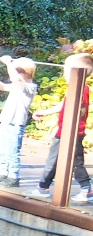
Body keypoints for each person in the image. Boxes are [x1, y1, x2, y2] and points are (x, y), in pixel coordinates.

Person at [34, 55, 93, 203]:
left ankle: (86, 188)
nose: (64, 75)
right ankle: (43, 186)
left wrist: (68, 127)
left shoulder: (82, 89)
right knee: (56, 159)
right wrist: (45, 112)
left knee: (73, 161)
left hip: (71, 133)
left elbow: (81, 110)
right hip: (65, 132)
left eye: (67, 72)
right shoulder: (75, 89)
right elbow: (64, 106)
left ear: (77, 73)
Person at [0, 56, 37, 187]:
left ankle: (13, 177)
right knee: (2, 151)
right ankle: (2, 173)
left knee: (12, 152)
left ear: (25, 72)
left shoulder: (29, 87)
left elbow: (15, 79)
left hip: (15, 125)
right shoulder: (17, 85)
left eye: (17, 70)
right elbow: (2, 86)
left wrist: (8, 63)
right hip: (5, 123)